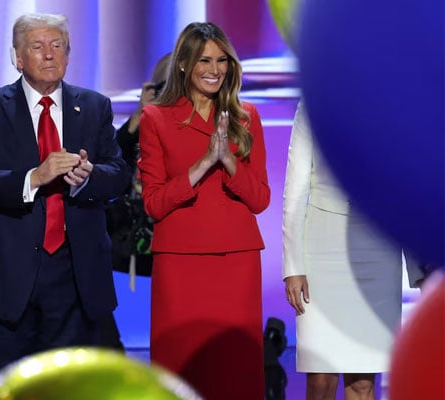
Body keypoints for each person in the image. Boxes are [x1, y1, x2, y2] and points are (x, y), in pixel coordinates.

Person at [0, 13, 131, 386]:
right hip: (9, 274)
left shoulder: (96, 106)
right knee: (4, 386)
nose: (49, 55)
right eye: (37, 46)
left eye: (57, 46)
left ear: (68, 56)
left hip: (75, 275)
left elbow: (119, 174)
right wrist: (35, 177)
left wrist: (88, 178)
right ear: (18, 58)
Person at [138, 22, 271, 399]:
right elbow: (153, 203)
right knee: (182, 368)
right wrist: (200, 166)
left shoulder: (246, 117)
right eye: (204, 61)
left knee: (235, 371)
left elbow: (260, 199)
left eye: (221, 60)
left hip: (236, 261)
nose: (215, 69)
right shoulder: (156, 119)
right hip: (181, 263)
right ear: (183, 65)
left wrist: (227, 160)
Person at [282, 101, 424, 400]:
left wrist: (418, 269)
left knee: (362, 382)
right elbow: (294, 190)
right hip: (322, 249)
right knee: (320, 380)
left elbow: (407, 189)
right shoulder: (313, 105)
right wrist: (293, 266)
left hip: (378, 253)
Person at [107, 52, 171, 278]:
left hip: (180, 246)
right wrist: (140, 114)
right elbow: (111, 161)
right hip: (133, 247)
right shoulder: (141, 126)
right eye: (167, 87)